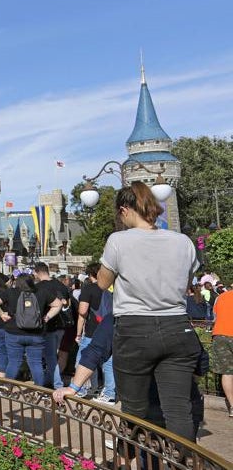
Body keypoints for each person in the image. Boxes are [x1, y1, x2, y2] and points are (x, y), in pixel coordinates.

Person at [97, 182, 201, 441]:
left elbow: (102, 283)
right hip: (178, 327)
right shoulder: (183, 241)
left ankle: (129, 455)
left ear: (124, 210)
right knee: (178, 410)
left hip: (135, 329)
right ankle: (182, 458)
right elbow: (186, 284)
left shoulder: (118, 240)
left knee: (134, 410)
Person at [0, 275, 62, 386]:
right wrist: (47, 317)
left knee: (13, 362)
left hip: (13, 332)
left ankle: (7, 388)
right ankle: (39, 390)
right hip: (36, 333)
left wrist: (2, 314)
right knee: (36, 363)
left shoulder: (10, 292)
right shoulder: (42, 292)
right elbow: (58, 304)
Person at [75, 263, 115, 403]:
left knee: (83, 359)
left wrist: (78, 333)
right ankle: (110, 393)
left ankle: (81, 389)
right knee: (108, 363)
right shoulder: (111, 289)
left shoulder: (89, 289)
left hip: (93, 330)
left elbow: (82, 311)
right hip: (110, 328)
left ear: (90, 274)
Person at [34, 262, 71, 389]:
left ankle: (52, 382)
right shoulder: (61, 285)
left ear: (37, 273)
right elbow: (67, 303)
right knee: (53, 357)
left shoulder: (38, 287)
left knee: (46, 358)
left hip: (46, 326)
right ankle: (52, 381)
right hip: (62, 325)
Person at [210, 286, 233, 416]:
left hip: (220, 335)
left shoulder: (220, 297)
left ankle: (232, 406)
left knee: (227, 372)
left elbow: (214, 317)